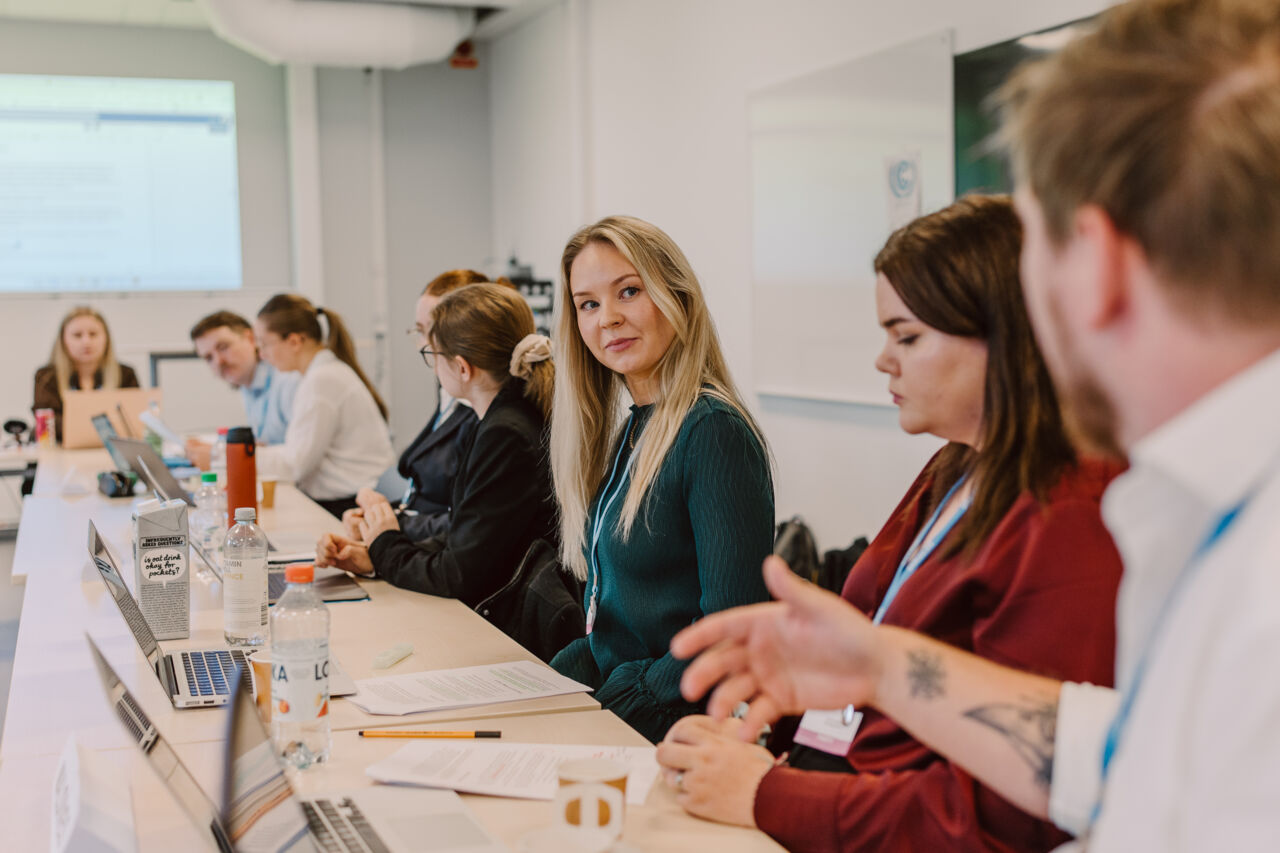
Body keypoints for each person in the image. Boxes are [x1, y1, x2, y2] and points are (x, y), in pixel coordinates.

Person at [671, 1, 1280, 850]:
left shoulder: (1227, 559)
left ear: (1095, 261)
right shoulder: (1209, 505)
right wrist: (879, 667)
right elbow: (1119, 751)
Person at [656, 196, 1123, 852]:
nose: (885, 360)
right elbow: (865, 661)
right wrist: (758, 741)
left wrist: (769, 794)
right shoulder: (953, 466)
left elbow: (1009, 817)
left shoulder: (1070, 508)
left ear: (1006, 333)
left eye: (907, 336)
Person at [548, 215, 774, 743]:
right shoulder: (635, 429)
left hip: (675, 728)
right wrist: (546, 682)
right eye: (589, 304)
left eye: (628, 291)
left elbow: (731, 630)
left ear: (679, 299)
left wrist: (626, 700)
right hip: (627, 711)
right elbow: (620, 622)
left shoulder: (711, 430)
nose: (608, 319)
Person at [315, 283, 557, 612]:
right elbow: (468, 538)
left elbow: (458, 574)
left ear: (461, 367)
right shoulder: (502, 419)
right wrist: (376, 555)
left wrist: (386, 543)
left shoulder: (505, 434)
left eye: (433, 355)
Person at [341, 271, 507, 544]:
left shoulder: (485, 411)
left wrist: (392, 526)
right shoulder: (449, 393)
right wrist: (379, 517)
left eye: (430, 331)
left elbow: (467, 521)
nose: (425, 345)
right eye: (419, 331)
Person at [251, 294, 393, 517]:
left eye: (265, 344)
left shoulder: (322, 381)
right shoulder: (322, 374)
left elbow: (295, 466)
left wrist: (234, 455)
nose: (261, 354)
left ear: (295, 341)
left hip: (352, 505)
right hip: (351, 499)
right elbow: (298, 454)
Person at [184, 310, 301, 467]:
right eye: (208, 357)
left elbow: (300, 455)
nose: (218, 361)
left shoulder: (288, 379)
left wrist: (220, 457)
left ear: (251, 339)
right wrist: (217, 449)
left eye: (223, 347)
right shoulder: (247, 386)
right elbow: (266, 444)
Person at [33, 306, 140, 442]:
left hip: (113, 452)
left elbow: (133, 420)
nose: (86, 342)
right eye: (77, 335)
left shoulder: (125, 374)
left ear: (106, 338)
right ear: (63, 340)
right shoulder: (46, 377)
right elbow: (49, 423)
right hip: (61, 452)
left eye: (93, 334)